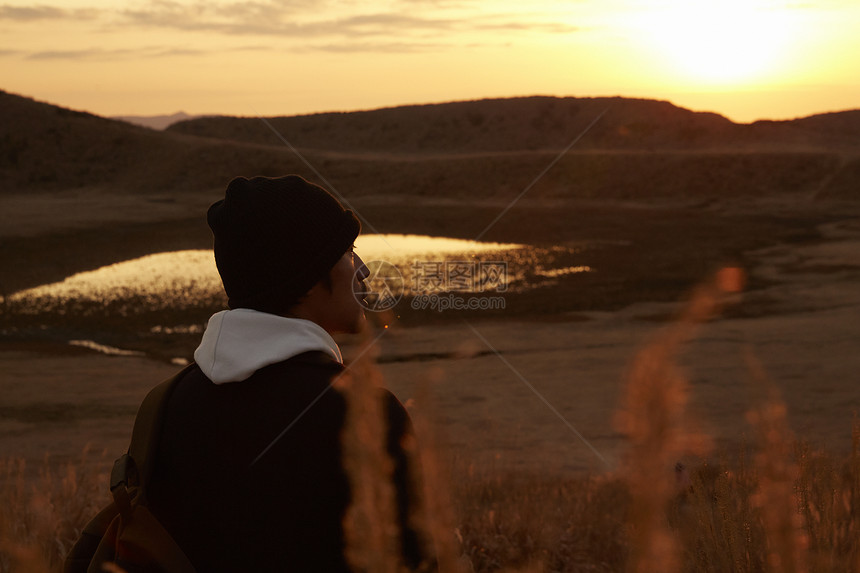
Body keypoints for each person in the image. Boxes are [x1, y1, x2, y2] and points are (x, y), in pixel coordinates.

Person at [146, 175, 426, 572]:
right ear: (309, 278)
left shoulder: (167, 406)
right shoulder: (366, 418)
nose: (363, 270)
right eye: (348, 252)